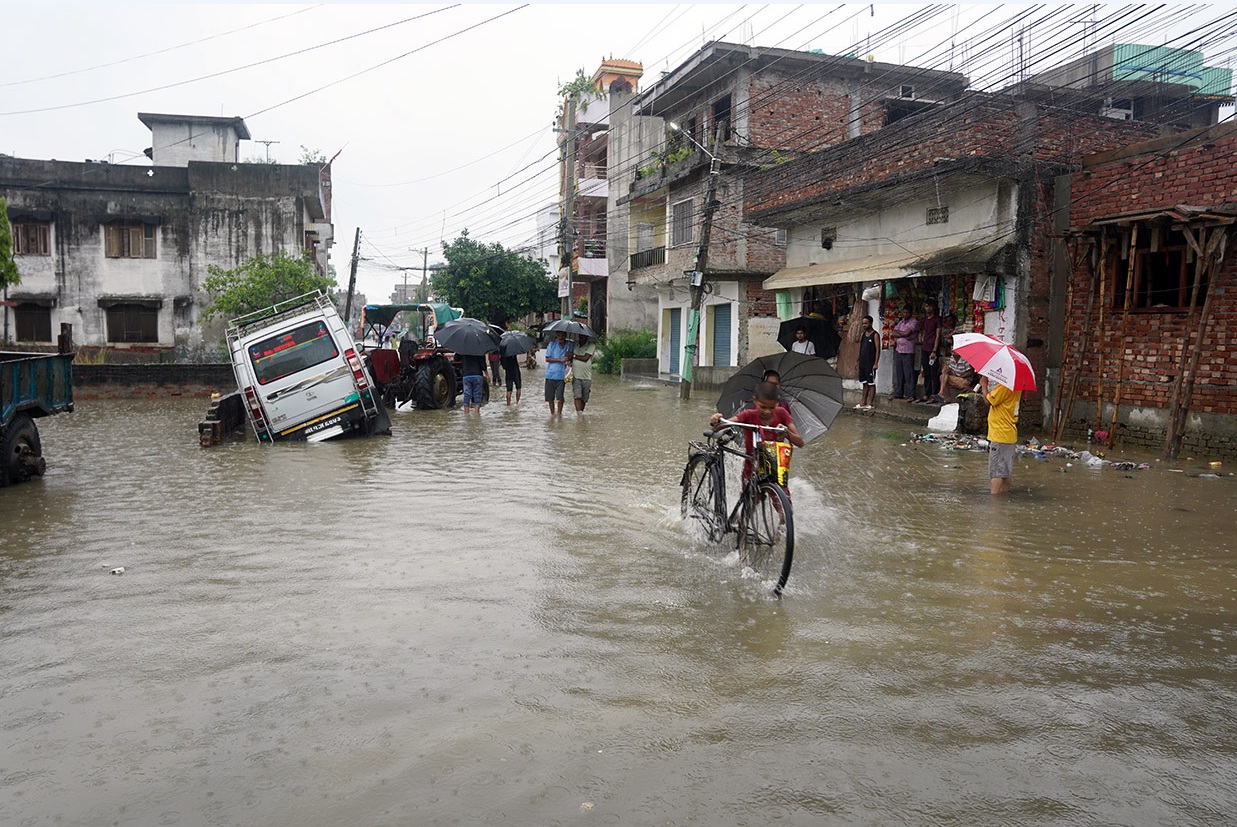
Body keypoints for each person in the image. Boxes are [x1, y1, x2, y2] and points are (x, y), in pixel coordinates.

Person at [709, 381, 805, 486]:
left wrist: (786, 432)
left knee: (782, 499)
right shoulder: (748, 415)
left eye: (771, 408)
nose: (767, 411)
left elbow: (800, 442)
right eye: (763, 407)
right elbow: (724, 425)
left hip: (775, 467)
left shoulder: (782, 413)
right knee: (750, 498)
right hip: (751, 467)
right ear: (755, 401)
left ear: (777, 403)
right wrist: (717, 420)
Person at [981, 375, 1022, 495]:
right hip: (1009, 433)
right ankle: (1003, 498)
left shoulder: (1005, 386)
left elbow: (988, 400)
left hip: (1000, 434)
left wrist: (984, 384)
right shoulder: (1016, 387)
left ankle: (995, 503)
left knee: (996, 472)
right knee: (1005, 471)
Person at [889, 304, 919, 400]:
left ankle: (911, 394)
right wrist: (903, 334)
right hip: (899, 350)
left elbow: (908, 333)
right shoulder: (901, 322)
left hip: (908, 351)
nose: (905, 314)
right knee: (899, 373)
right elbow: (893, 332)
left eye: (907, 313)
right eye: (904, 312)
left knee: (909, 373)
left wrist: (900, 334)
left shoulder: (914, 322)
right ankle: (899, 393)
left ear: (910, 313)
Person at [915, 298, 941, 403]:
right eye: (926, 306)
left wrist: (934, 350)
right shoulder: (925, 320)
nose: (928, 308)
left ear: (933, 307)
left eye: (929, 306)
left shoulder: (937, 319)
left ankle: (934, 395)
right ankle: (926, 394)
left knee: (934, 373)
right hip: (925, 348)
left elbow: (938, 336)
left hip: (933, 349)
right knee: (926, 372)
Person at [544, 330, 571, 416]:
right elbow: (547, 359)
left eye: (562, 335)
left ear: (565, 335)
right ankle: (552, 414)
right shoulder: (552, 344)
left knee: (560, 397)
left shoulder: (570, 345)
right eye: (559, 336)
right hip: (550, 374)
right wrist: (560, 360)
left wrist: (569, 360)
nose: (561, 337)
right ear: (557, 336)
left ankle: (559, 414)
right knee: (550, 398)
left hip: (562, 375)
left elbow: (571, 357)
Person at [856, 315, 880, 410]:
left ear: (870, 323)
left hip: (870, 364)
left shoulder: (875, 335)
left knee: (871, 383)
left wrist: (876, 363)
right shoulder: (863, 335)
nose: (864, 325)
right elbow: (860, 349)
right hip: (862, 362)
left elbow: (878, 350)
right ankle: (863, 402)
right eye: (863, 324)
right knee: (864, 383)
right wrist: (857, 361)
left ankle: (870, 403)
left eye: (866, 323)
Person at [571, 333, 598, 413]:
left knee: (584, 398)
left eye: (583, 336)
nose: (581, 337)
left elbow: (585, 358)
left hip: (586, 376)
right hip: (576, 375)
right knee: (577, 396)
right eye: (580, 336)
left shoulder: (591, 345)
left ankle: (581, 413)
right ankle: (579, 415)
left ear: (587, 337)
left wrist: (573, 355)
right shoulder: (574, 344)